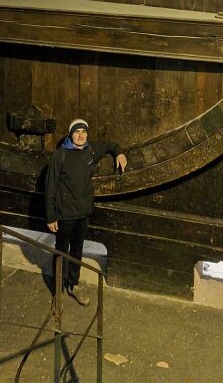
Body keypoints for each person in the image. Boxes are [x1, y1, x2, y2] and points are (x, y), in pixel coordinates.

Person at [45, 118, 127, 306]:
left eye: (83, 131)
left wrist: (119, 153)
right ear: (70, 134)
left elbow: (110, 145)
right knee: (60, 251)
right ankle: (57, 292)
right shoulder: (60, 155)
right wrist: (51, 216)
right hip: (65, 214)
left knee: (77, 250)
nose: (80, 135)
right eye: (76, 132)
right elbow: (50, 187)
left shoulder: (91, 150)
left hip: (83, 213)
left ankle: (73, 284)